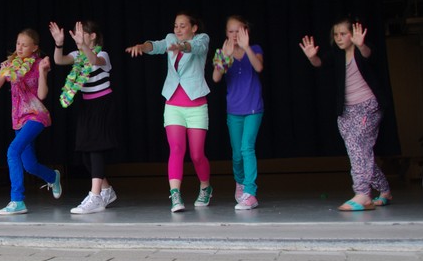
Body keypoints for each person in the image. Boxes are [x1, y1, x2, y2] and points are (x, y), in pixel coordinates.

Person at [299, 18, 392, 211]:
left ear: (353, 34)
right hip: (347, 110)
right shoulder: (337, 54)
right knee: (359, 152)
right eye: (336, 35)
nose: (339, 38)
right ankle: (384, 190)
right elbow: (320, 63)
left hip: (368, 106)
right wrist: (311, 57)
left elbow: (369, 55)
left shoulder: (362, 49)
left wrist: (361, 45)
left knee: (358, 148)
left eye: (343, 34)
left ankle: (362, 194)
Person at [126, 12, 212, 213]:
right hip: (173, 103)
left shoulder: (202, 38)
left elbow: (196, 47)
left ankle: (205, 187)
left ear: (193, 28)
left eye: (183, 26)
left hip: (196, 105)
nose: (178, 30)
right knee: (176, 149)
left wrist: (182, 47)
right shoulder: (171, 38)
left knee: (197, 154)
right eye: (176, 26)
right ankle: (175, 195)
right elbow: (156, 46)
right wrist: (142, 47)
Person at [0, 28, 61, 215]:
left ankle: (17, 200)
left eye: (24, 45)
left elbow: (42, 95)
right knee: (30, 165)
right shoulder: (9, 65)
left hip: (36, 115)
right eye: (18, 44)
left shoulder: (39, 64)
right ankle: (53, 176)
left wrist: (42, 72)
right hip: (18, 119)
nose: (19, 48)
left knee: (13, 151)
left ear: (34, 47)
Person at [49, 20, 117, 215]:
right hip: (87, 105)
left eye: (82, 34)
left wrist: (83, 46)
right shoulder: (77, 55)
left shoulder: (103, 54)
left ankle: (95, 196)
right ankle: (106, 190)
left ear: (92, 36)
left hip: (103, 104)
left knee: (95, 148)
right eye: (76, 35)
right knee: (86, 152)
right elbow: (59, 60)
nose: (78, 38)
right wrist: (59, 44)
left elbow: (94, 60)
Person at [212, 16, 264, 210]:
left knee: (247, 148)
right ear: (226, 33)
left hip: (253, 108)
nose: (234, 35)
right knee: (237, 154)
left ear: (245, 32)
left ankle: (250, 192)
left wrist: (246, 47)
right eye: (231, 31)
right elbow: (216, 77)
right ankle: (240, 182)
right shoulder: (222, 52)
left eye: (238, 31)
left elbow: (259, 67)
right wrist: (225, 57)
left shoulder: (255, 49)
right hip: (234, 110)